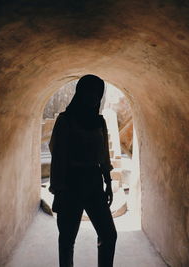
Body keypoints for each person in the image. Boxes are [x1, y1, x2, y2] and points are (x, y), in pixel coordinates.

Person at [48, 74, 117, 267]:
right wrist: (57, 190)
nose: (93, 96)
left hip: (94, 182)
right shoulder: (65, 121)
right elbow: (58, 158)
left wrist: (109, 183)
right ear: (80, 93)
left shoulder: (99, 122)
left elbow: (104, 156)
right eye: (90, 91)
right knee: (67, 240)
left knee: (109, 235)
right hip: (71, 184)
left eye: (97, 93)